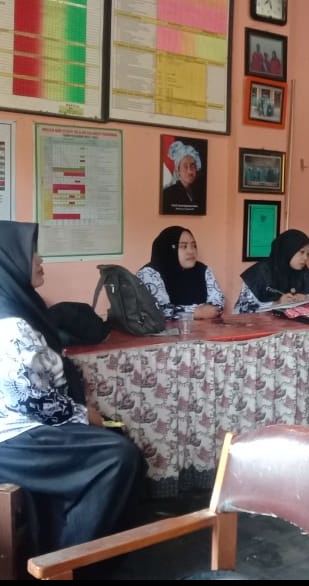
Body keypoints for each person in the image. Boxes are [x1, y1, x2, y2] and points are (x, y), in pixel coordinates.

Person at [0, 220, 144, 558]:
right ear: (10, 261)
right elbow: (33, 401)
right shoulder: (10, 323)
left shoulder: (17, 305)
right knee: (118, 457)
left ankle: (73, 550)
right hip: (14, 441)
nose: (40, 260)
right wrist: (83, 415)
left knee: (116, 439)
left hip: (27, 430)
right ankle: (65, 563)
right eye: (32, 253)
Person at [137, 226, 224, 321]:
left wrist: (195, 312)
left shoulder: (203, 270)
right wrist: (195, 313)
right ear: (168, 249)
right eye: (183, 246)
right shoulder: (149, 273)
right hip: (162, 330)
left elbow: (217, 305)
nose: (191, 251)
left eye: (194, 246)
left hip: (203, 329)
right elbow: (158, 310)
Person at [234, 228, 309, 314]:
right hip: (263, 326)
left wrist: (307, 298)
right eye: (302, 252)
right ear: (288, 250)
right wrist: (276, 303)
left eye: (308, 254)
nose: (305, 258)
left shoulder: (303, 271)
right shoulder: (259, 273)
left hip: (294, 325)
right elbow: (242, 310)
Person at [161, 140, 206, 215]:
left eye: (192, 166)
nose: (190, 171)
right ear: (178, 170)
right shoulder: (168, 194)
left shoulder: (199, 192)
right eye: (185, 166)